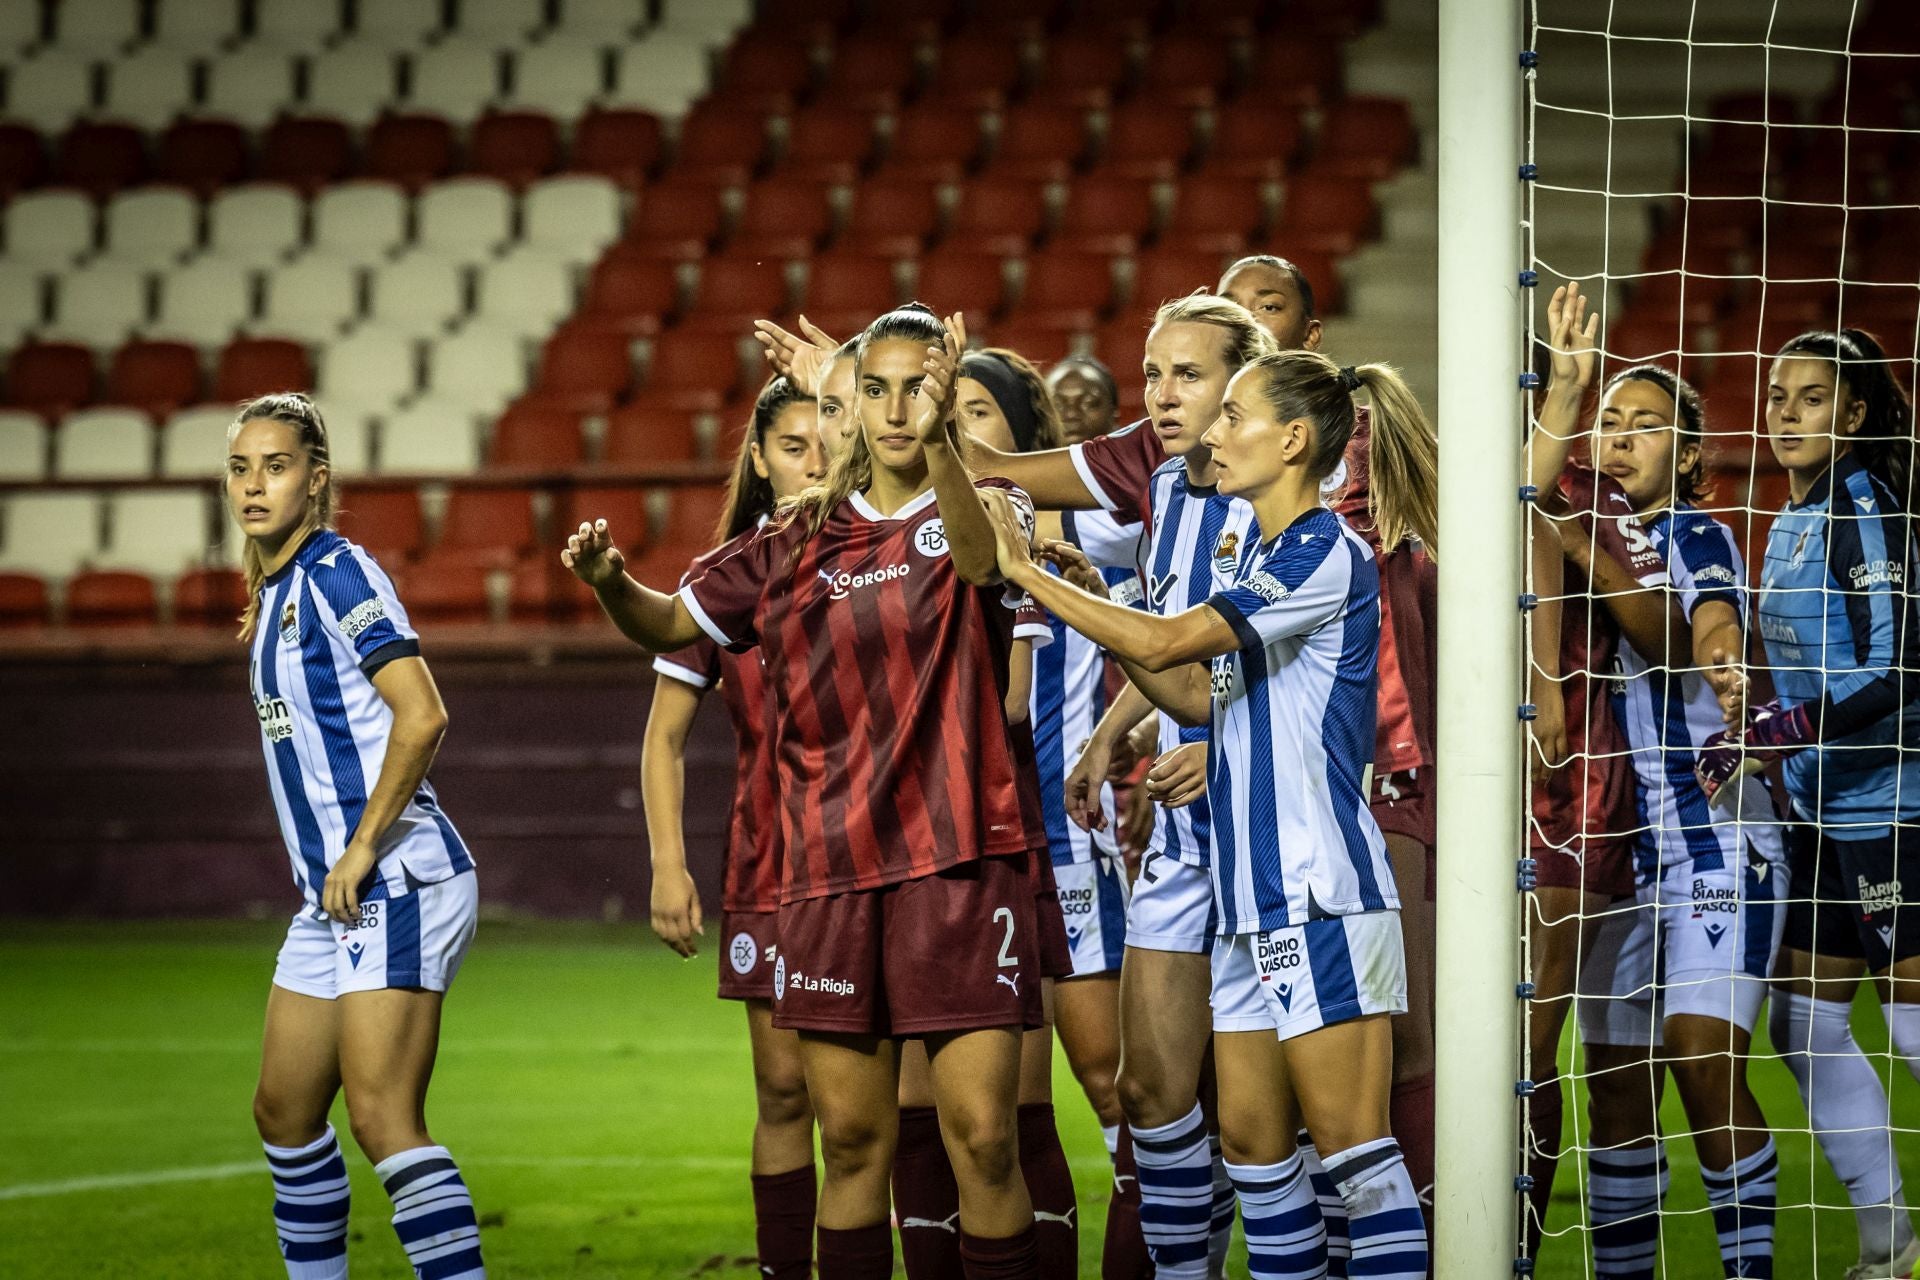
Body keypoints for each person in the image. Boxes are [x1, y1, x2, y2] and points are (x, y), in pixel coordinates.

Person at [567, 305, 1053, 1280]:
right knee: (856, 1146)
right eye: (872, 389)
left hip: (958, 868)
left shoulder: (992, 508)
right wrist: (612, 581)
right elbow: (669, 621)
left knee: (984, 1138)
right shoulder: (788, 542)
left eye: (919, 386)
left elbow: (969, 556)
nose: (894, 407)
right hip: (826, 879)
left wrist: (945, 435)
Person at [985, 346, 1439, 1280]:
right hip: (1245, 898)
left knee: (1354, 1158)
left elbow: (1164, 639)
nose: (1216, 431)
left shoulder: (1320, 548)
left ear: (1296, 439)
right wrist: (1095, 594)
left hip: (1319, 891)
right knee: (1256, 1154)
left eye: (1235, 415)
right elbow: (1195, 695)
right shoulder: (1261, 552)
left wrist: (1025, 573)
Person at [1530, 324, 1788, 1277]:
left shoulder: (1690, 532)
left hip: (1718, 841)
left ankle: (1749, 1268)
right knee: (1615, 1088)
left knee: (1699, 1056)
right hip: (1621, 854)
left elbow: (1701, 625)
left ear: (1687, 454)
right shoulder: (1572, 529)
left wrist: (1728, 672)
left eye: (1648, 425)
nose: (1622, 437)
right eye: (1609, 421)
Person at [231, 393, 486, 1280]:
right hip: (332, 896)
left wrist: (365, 845)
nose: (256, 484)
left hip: (398, 874)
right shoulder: (273, 592)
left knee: (382, 1119)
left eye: (277, 466)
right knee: (284, 1113)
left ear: (317, 478)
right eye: (241, 467)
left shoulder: (338, 573)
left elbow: (423, 716)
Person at [1699, 327, 1920, 1280]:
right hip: (1818, 815)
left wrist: (1780, 735)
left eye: (1812, 397)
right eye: (1778, 395)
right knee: (1805, 1026)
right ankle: (1891, 1244)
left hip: (1894, 814)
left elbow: (1898, 664)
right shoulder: (1789, 516)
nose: (1785, 413)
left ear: (1856, 414)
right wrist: (1748, 730)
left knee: (1910, 1027)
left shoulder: (1859, 506)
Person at [641, 378, 827, 1280]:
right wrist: (668, 868)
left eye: (827, 436)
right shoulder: (723, 581)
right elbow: (663, 739)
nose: (813, 459)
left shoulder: (888, 552)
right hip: (768, 862)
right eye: (792, 444)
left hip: (880, 855)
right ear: (758, 459)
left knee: (901, 1103)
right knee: (785, 1090)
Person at [1047, 355, 1121, 446]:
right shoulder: (1025, 456)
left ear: (1113, 412)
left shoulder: (1139, 458)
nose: (1071, 414)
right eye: (1057, 405)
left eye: (1088, 403)